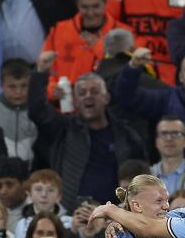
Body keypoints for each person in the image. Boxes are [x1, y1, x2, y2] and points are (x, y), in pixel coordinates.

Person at [29, 52, 148, 211]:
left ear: (106, 98)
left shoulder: (126, 135)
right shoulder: (64, 129)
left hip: (115, 216)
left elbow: (142, 174)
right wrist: (41, 72)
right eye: (82, 93)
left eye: (94, 91)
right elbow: (37, 110)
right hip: (72, 215)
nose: (88, 96)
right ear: (76, 101)